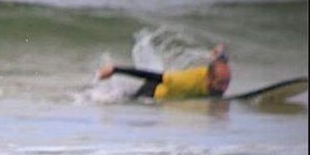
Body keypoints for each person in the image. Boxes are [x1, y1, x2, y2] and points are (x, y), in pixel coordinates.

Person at [96, 44, 231, 100]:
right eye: (220, 83)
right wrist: (115, 70)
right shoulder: (183, 82)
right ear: (208, 79)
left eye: (227, 82)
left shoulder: (218, 71)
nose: (224, 88)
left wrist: (220, 52)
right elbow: (150, 75)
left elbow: (220, 61)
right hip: (152, 94)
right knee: (127, 100)